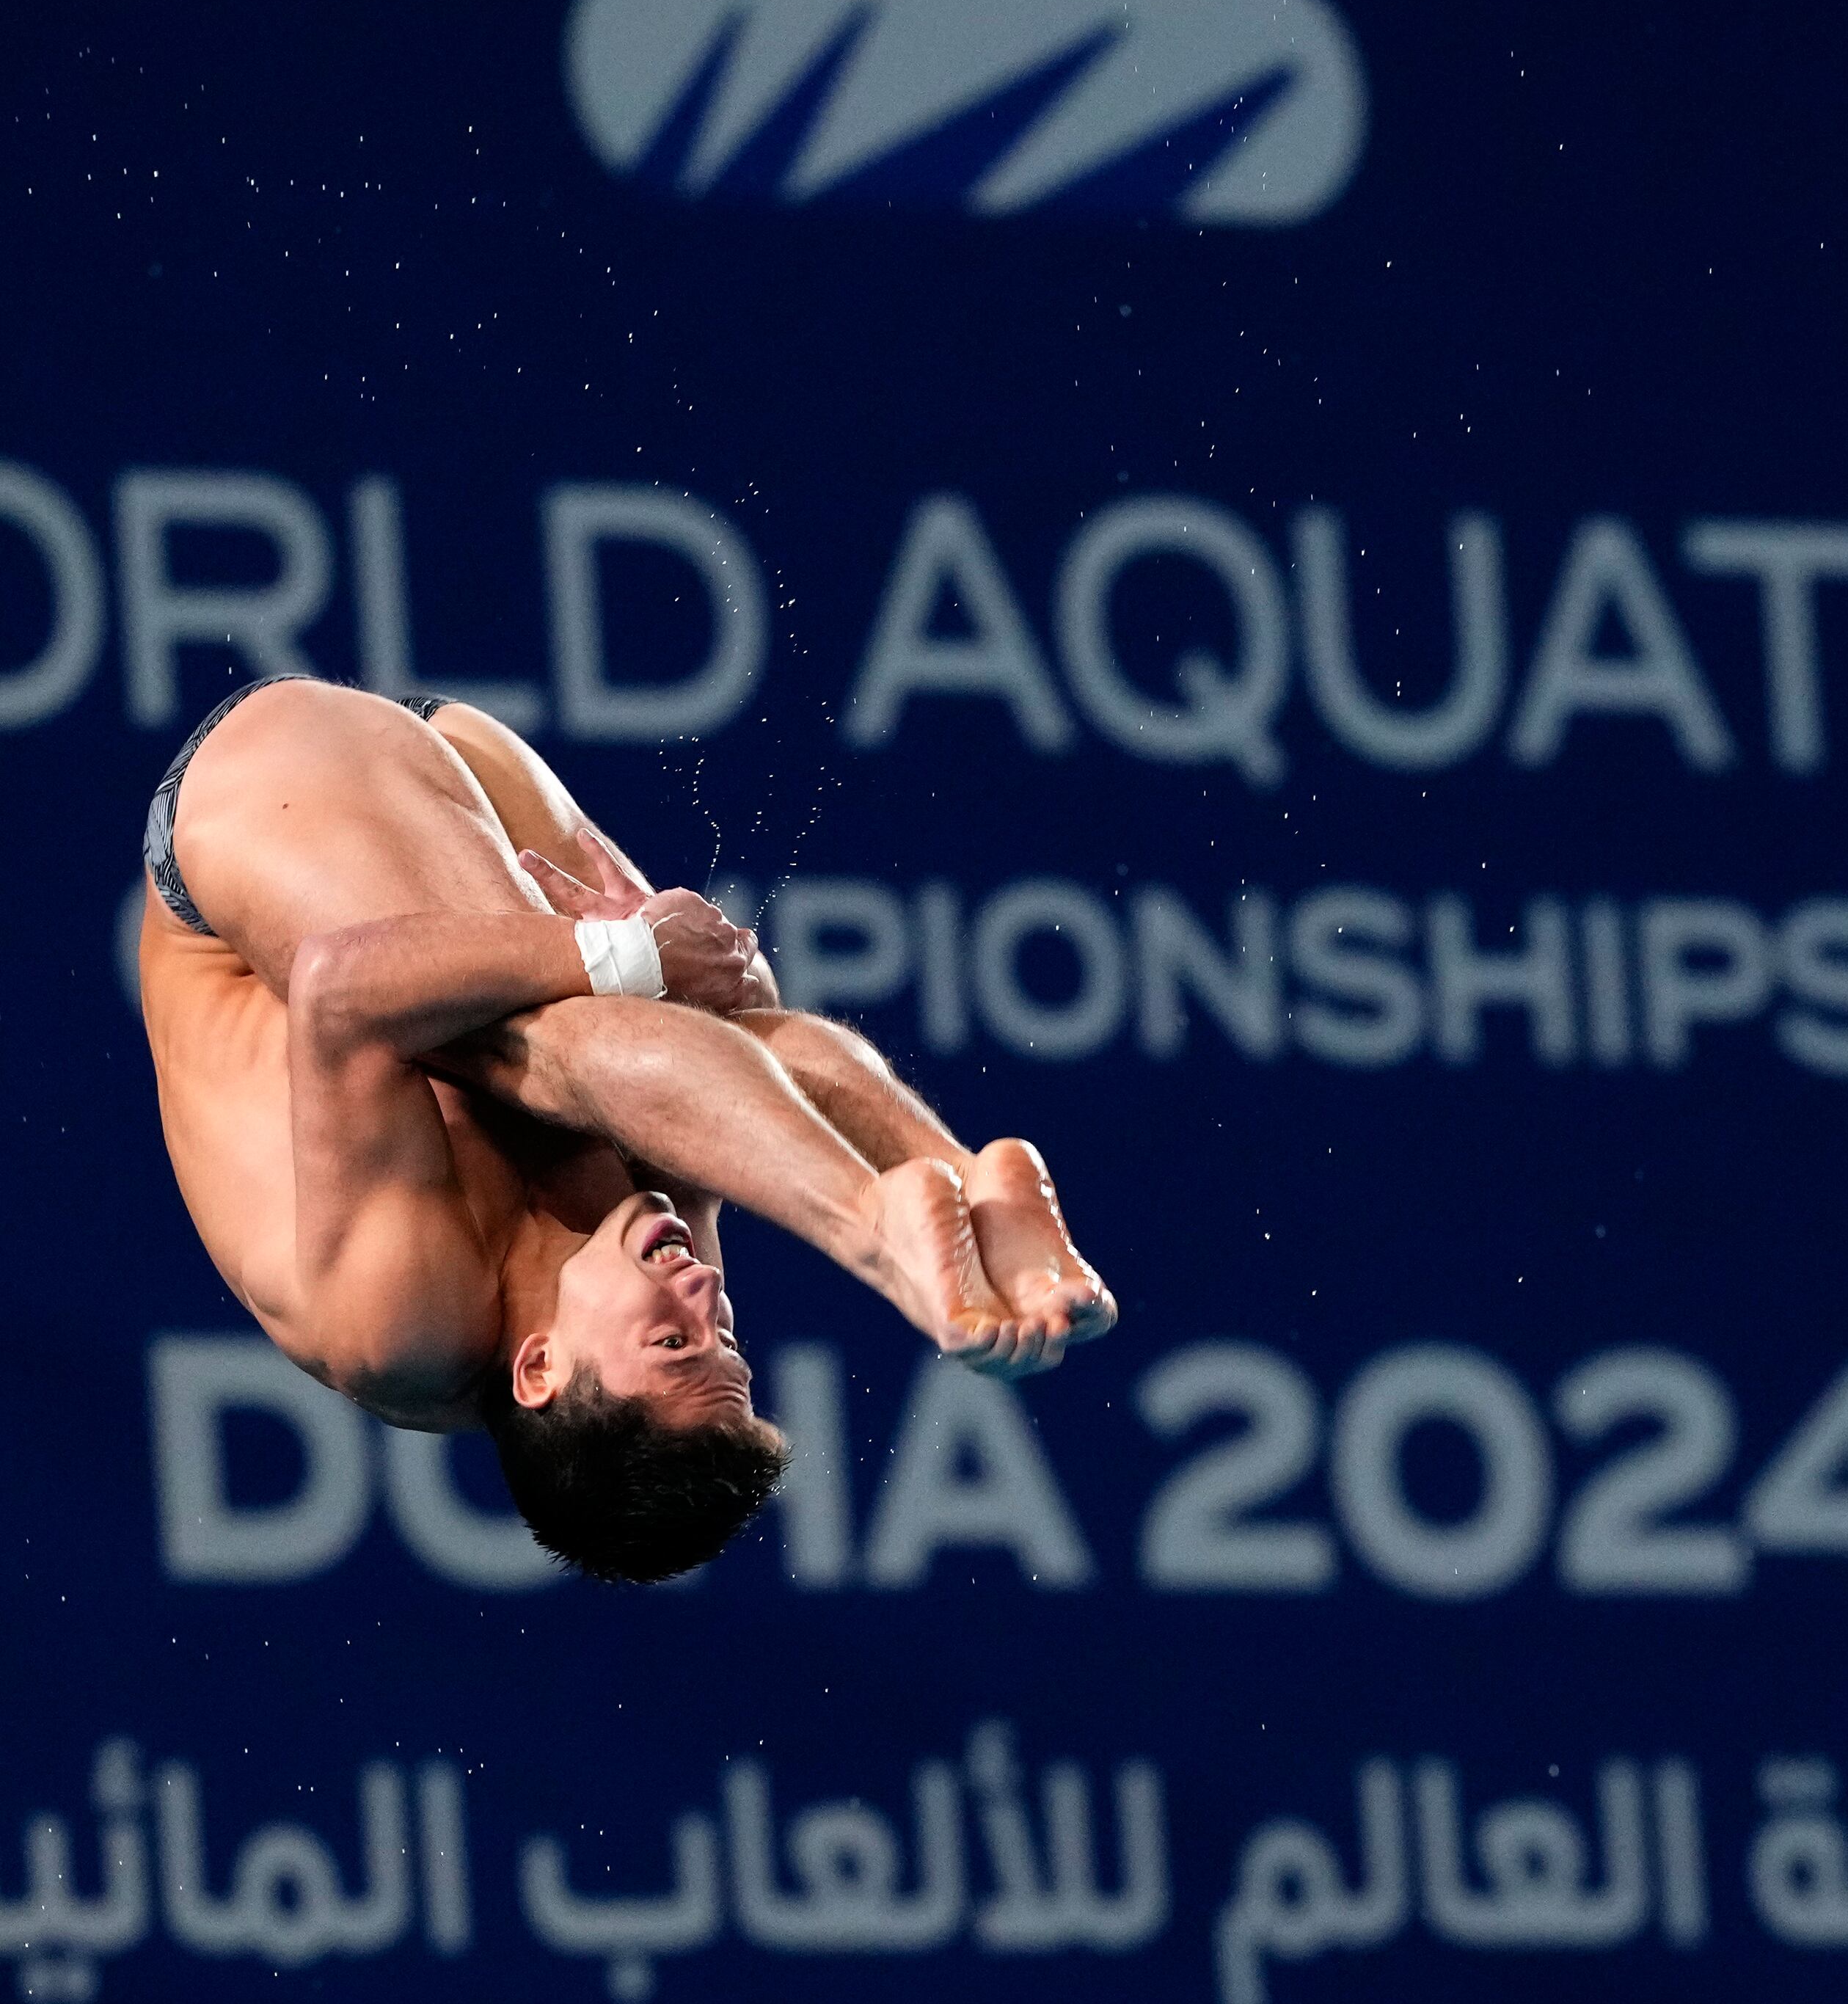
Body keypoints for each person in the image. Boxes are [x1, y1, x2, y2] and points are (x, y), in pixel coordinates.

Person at [138, 676, 1117, 1583]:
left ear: (539, 1369)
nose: (701, 1287)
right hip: (457, 783)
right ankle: (959, 1176)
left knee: (565, 1037)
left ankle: (874, 1221)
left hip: (260, 798)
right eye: (721, 1332)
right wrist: (668, 972)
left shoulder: (404, 1326)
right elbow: (749, 1038)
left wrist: (623, 955)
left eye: (671, 1337)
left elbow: (339, 994)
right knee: (678, 1032)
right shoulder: (642, 1250)